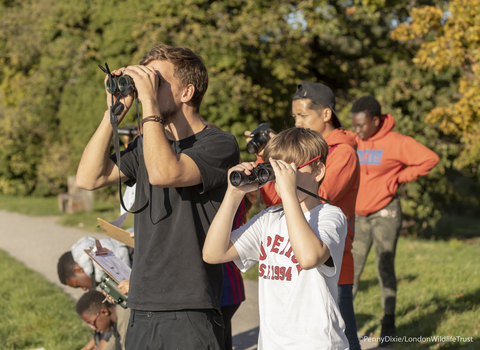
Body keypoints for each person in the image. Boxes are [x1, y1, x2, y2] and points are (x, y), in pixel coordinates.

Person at [76, 44, 240, 350]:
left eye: (157, 80)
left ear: (187, 92)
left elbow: (166, 173)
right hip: (142, 302)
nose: (146, 86)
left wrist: (149, 102)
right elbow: (89, 177)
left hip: (189, 305)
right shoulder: (146, 146)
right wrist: (112, 112)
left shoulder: (219, 144)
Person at [203, 127, 349, 350]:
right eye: (274, 169)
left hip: (317, 344)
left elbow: (309, 258)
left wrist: (289, 193)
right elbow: (213, 253)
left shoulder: (330, 216)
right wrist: (233, 194)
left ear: (318, 170)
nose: (280, 178)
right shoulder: (269, 219)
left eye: (288, 170)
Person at [251, 82, 361, 349]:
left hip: (329, 262)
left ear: (326, 114)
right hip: (291, 261)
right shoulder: (306, 153)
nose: (298, 123)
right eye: (294, 117)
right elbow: (275, 201)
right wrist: (266, 161)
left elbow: (322, 194)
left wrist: (289, 168)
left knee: (342, 338)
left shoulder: (342, 153)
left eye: (302, 115)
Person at [350, 96, 439, 346]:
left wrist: (398, 178)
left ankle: (388, 323)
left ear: (376, 121)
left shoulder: (397, 142)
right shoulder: (354, 139)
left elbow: (430, 159)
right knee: (351, 270)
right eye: (353, 125)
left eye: (361, 125)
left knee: (384, 266)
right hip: (358, 214)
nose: (357, 131)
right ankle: (342, 323)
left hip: (385, 213)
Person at [57, 237, 131, 291]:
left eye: (78, 285)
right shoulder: (101, 266)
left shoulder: (106, 259)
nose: (84, 289)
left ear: (79, 270)